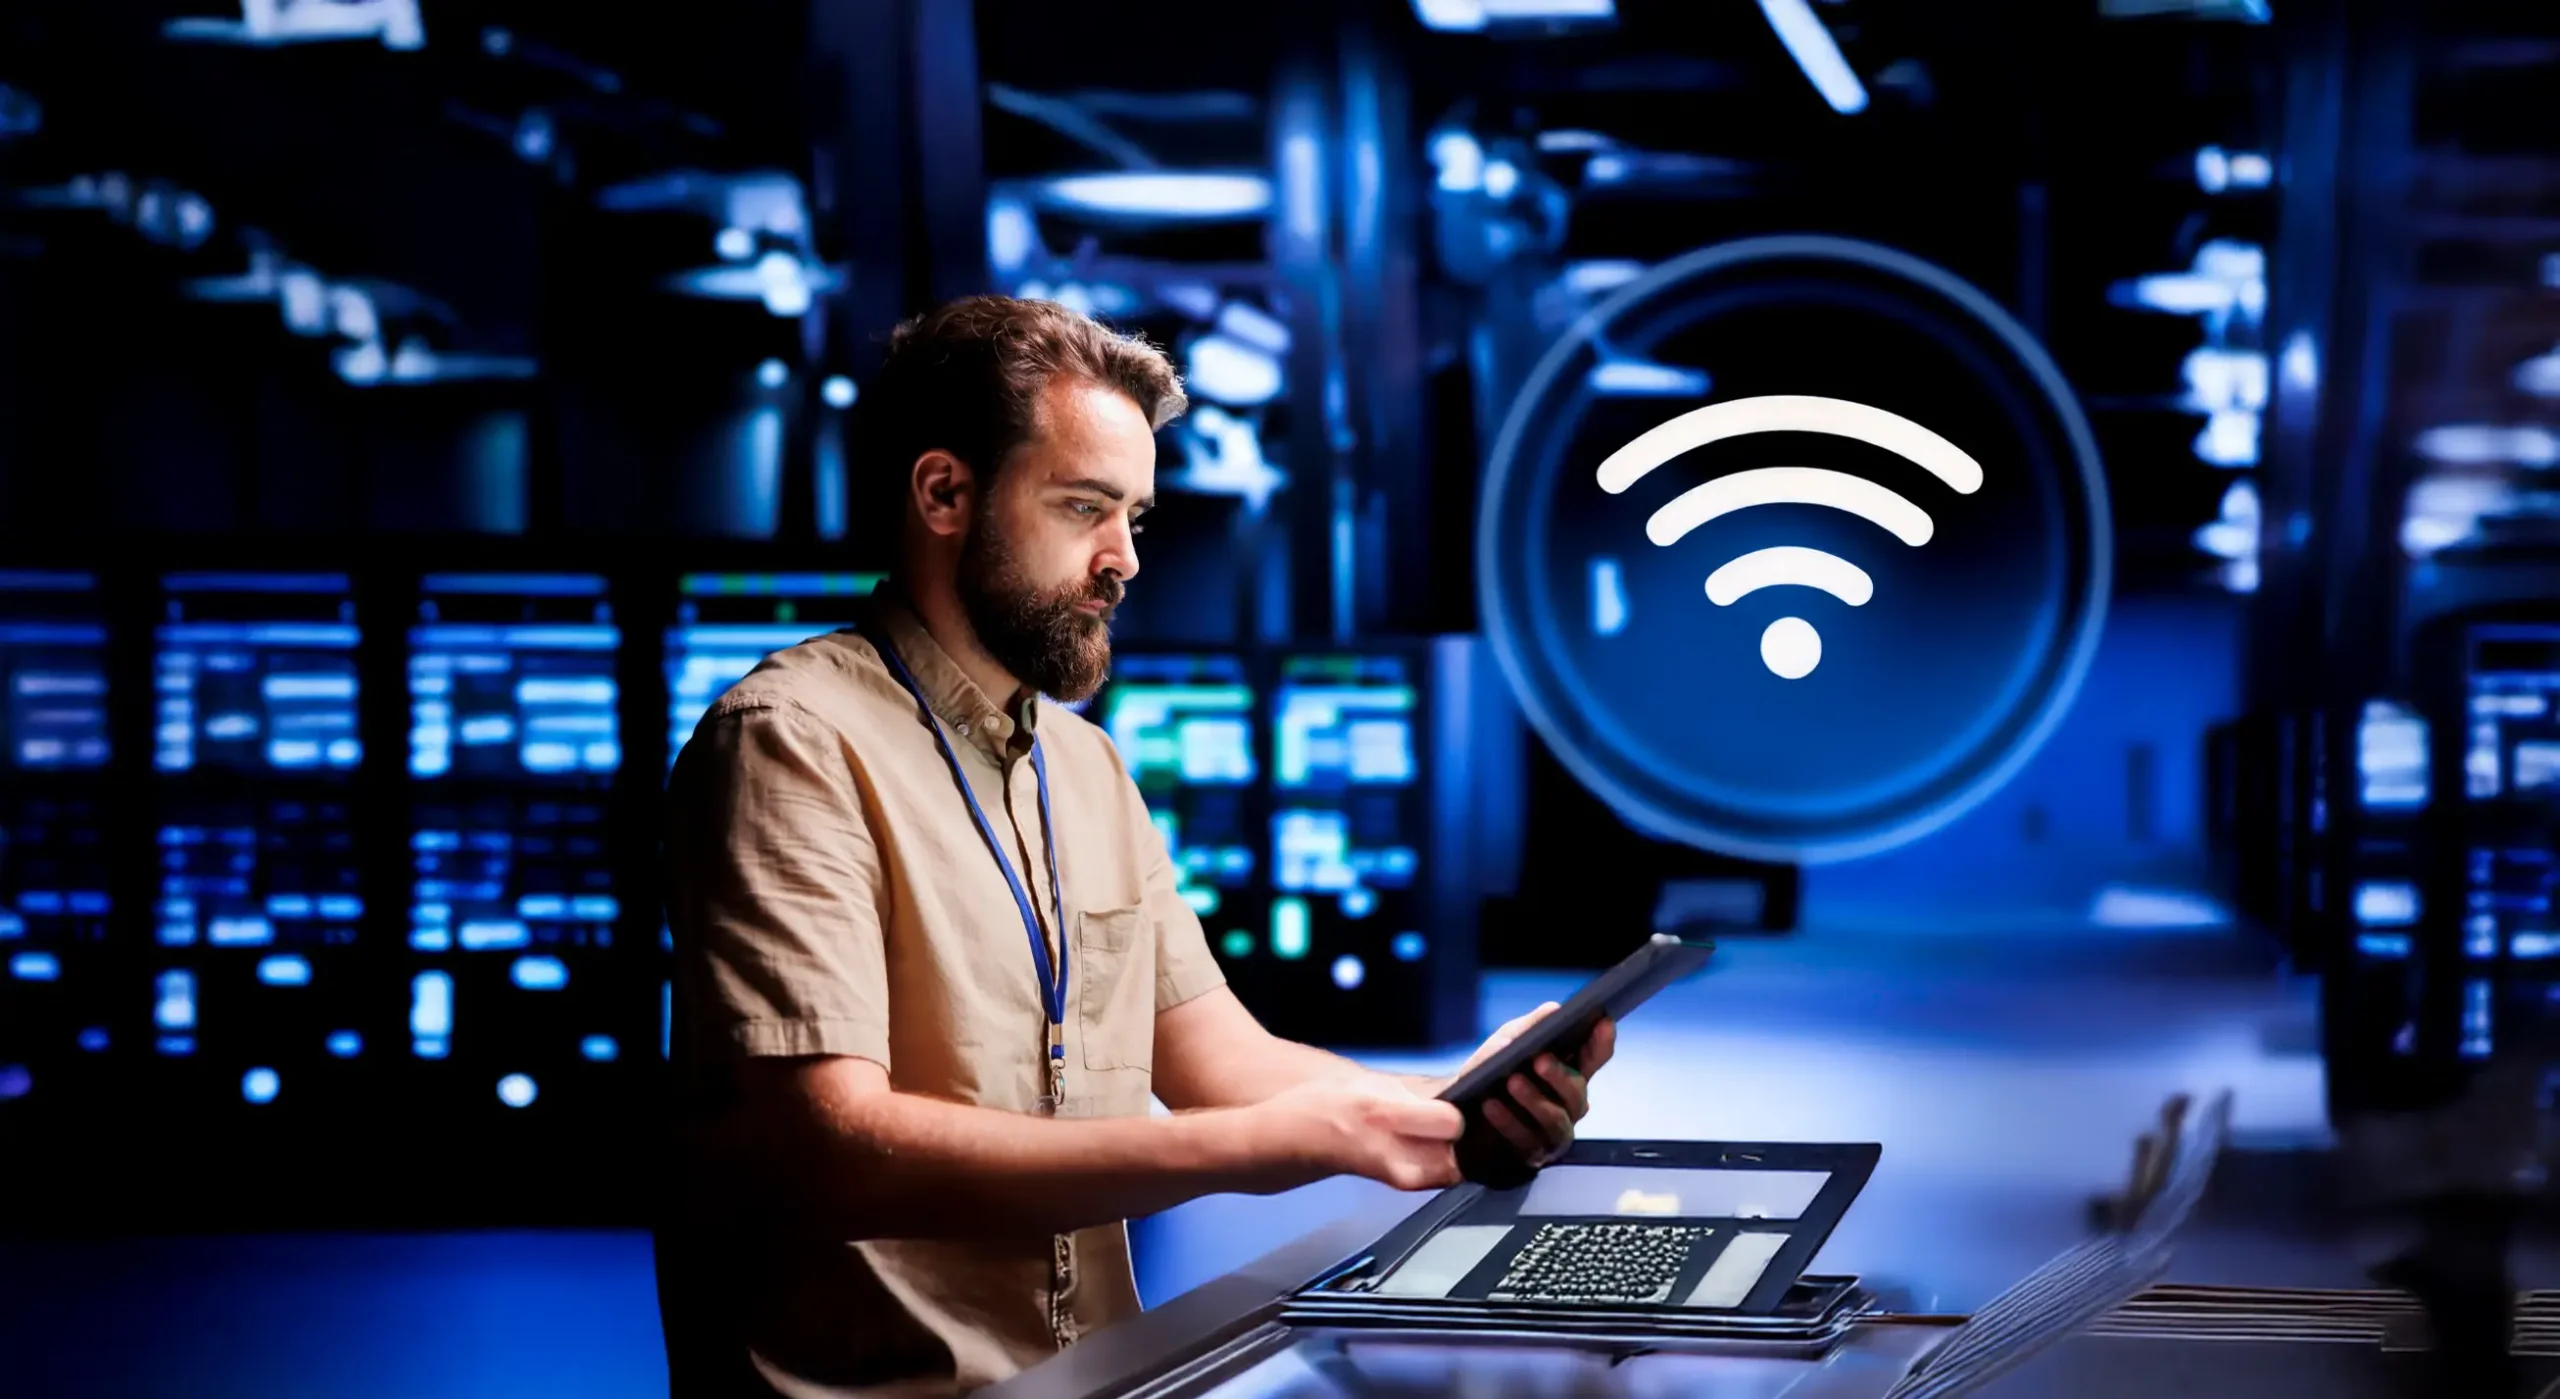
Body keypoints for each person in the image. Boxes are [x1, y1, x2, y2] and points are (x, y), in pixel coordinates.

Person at [656, 294, 1616, 1398]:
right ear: (944, 493)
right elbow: (835, 1150)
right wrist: (1260, 1151)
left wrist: (1443, 1103)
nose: (1124, 561)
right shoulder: (791, 742)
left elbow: (1223, 1065)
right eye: (1083, 508)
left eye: (1137, 518)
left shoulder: (1088, 771)